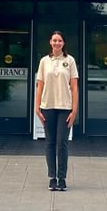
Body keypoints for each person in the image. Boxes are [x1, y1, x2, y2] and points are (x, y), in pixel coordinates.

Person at [34, 30, 79, 191]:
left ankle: (62, 178)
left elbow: (74, 88)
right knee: (50, 143)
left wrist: (74, 110)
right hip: (47, 107)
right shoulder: (44, 61)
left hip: (65, 108)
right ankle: (52, 177)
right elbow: (40, 86)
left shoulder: (70, 61)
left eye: (59, 40)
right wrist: (37, 107)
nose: (57, 43)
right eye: (54, 40)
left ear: (63, 43)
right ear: (50, 42)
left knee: (62, 143)